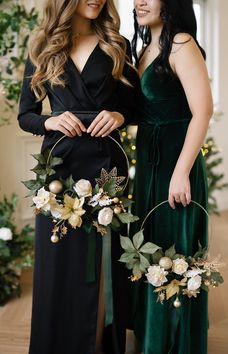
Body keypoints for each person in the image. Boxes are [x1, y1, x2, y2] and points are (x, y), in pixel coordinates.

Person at [17, 1, 139, 354]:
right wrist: (50, 121)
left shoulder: (117, 44)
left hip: (106, 170)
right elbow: (26, 115)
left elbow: (133, 109)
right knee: (58, 265)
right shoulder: (42, 45)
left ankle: (99, 345)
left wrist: (117, 114)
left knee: (101, 263)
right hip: (58, 172)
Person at [130, 0, 213, 353]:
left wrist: (181, 172)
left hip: (175, 164)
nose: (140, 1)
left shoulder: (181, 43)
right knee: (149, 251)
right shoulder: (147, 47)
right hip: (149, 162)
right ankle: (153, 338)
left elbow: (203, 110)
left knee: (173, 252)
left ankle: (175, 344)